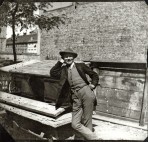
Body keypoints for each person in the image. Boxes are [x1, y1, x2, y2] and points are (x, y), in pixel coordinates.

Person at [50, 48, 99, 140]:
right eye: (65, 57)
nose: (68, 58)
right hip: (74, 96)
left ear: (73, 58)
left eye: (70, 56)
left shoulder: (80, 66)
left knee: (87, 120)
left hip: (86, 92)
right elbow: (52, 73)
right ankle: (94, 139)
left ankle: (87, 139)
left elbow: (94, 75)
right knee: (75, 124)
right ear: (63, 58)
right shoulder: (63, 69)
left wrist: (92, 85)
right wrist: (60, 62)